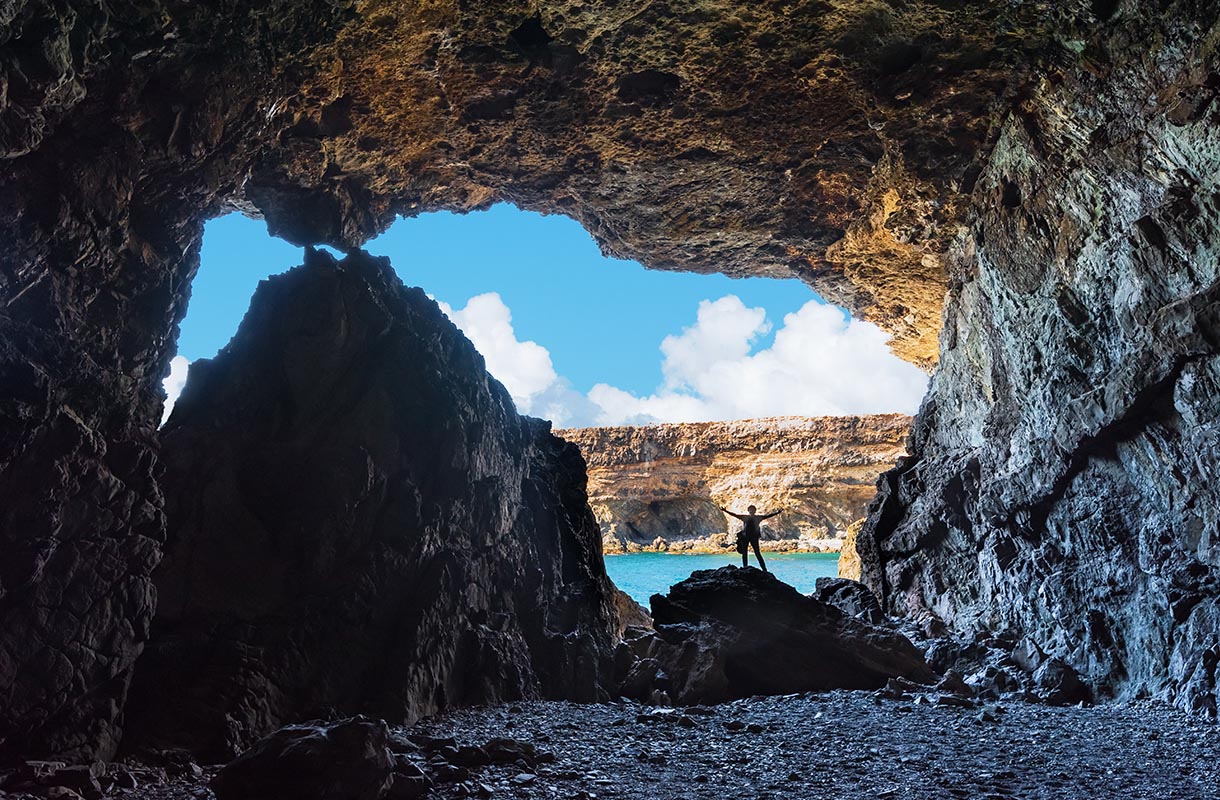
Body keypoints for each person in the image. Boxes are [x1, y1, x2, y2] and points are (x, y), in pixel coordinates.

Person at [718, 504, 781, 572]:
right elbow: (734, 515)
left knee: (757, 553)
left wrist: (777, 512)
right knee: (745, 553)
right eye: (750, 509)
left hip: (754, 537)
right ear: (748, 511)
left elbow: (768, 516)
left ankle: (764, 569)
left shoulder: (758, 518)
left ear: (755, 511)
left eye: (753, 509)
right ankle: (745, 567)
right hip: (745, 537)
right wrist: (725, 511)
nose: (751, 511)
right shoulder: (745, 517)